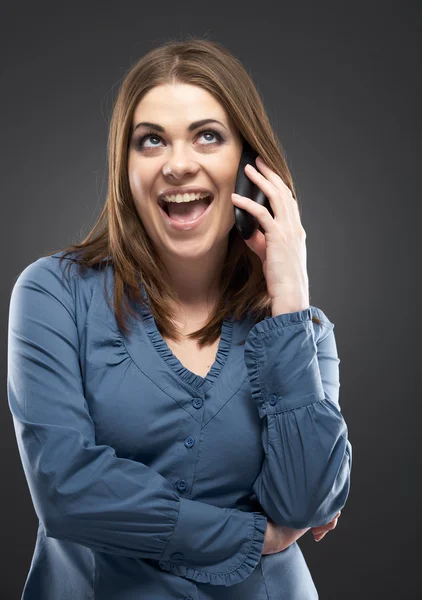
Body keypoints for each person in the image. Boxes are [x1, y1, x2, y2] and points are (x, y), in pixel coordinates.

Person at [7, 37, 352, 599]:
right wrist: (249, 534)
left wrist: (290, 298)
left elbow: (307, 504)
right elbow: (65, 490)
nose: (178, 164)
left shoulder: (303, 330)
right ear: (126, 166)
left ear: (249, 164)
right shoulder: (53, 294)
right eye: (151, 141)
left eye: (208, 136)